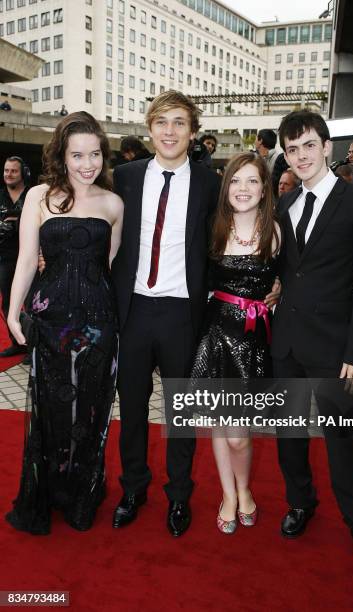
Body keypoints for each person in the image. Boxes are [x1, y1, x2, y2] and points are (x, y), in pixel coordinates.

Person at [272, 110, 353, 567]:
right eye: (292, 149)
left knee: (342, 440)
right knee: (289, 435)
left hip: (336, 349)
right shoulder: (283, 206)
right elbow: (285, 272)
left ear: (326, 147)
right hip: (286, 343)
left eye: (308, 146)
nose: (301, 156)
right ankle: (301, 502)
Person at [5, 111, 123, 535]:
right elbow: (24, 260)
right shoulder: (39, 196)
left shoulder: (113, 204)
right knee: (52, 407)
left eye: (94, 154)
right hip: (50, 319)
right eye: (77, 155)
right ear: (62, 155)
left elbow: (108, 265)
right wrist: (13, 310)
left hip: (98, 323)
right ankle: (51, 488)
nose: (87, 163)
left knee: (90, 410)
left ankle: (81, 492)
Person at [111, 90, 221, 537]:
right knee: (132, 409)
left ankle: (179, 495)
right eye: (161, 122)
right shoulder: (124, 176)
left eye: (179, 122)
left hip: (182, 312)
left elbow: (224, 243)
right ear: (150, 128)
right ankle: (133, 488)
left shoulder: (212, 183)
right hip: (133, 310)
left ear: (192, 132)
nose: (170, 131)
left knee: (181, 413)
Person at [191, 152, 280, 533]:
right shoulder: (213, 228)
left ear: (264, 189)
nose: (243, 189)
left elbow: (297, 275)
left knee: (239, 436)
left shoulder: (277, 230)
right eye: (236, 181)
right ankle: (230, 494)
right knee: (217, 424)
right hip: (215, 337)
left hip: (252, 340)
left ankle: (244, 488)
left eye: (252, 181)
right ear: (226, 186)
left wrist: (282, 288)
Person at [0, 157, 30, 357]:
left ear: (24, 173)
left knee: (32, 303)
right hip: (5, 257)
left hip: (31, 257)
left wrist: (17, 223)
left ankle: (32, 345)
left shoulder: (33, 195)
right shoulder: (0, 195)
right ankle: (17, 343)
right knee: (7, 302)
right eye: (6, 170)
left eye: (13, 171)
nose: (8, 174)